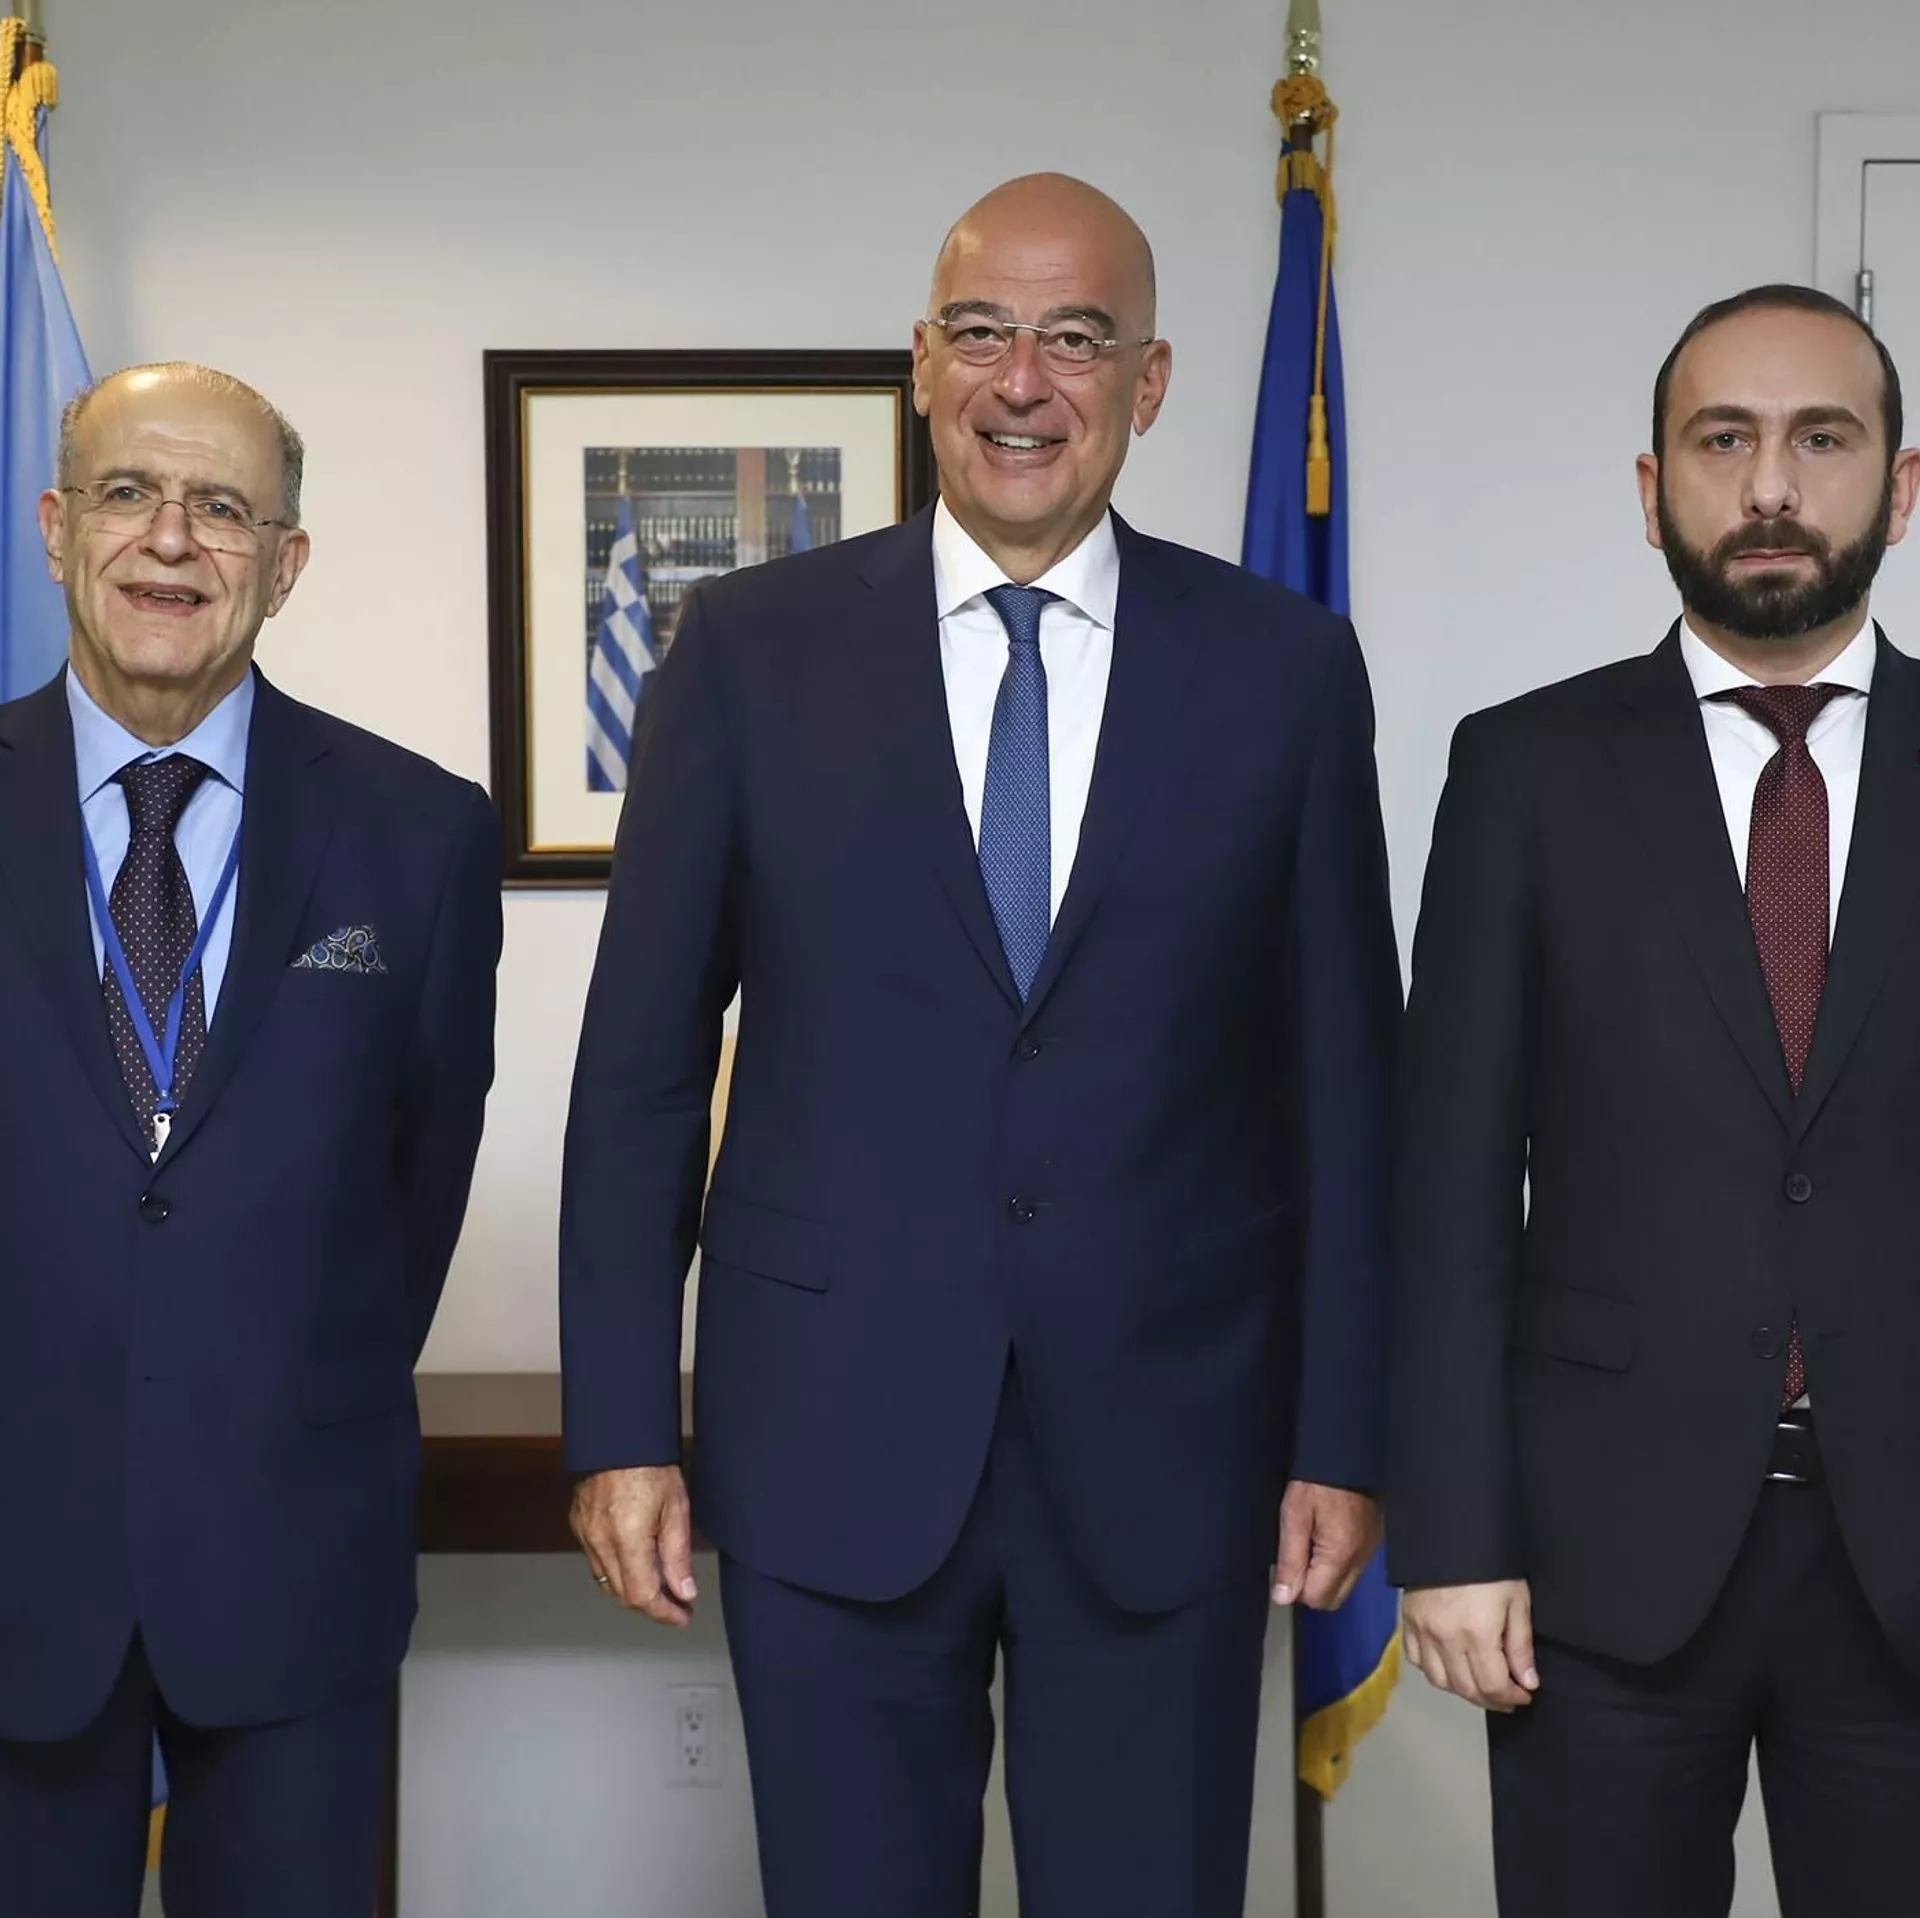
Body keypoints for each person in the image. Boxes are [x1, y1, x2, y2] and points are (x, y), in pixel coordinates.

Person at [561, 172, 1400, 1917]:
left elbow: (1346, 1086)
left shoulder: (1289, 671)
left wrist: (1343, 1431)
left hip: (1173, 1454)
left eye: (1075, 339)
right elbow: (640, 1071)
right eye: (983, 332)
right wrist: (622, 1424)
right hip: (828, 1440)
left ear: (1149, 382)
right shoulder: (744, 654)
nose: (1024, 381)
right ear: (922, 362)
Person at [1389, 285, 1920, 1917]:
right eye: (1722, 440)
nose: (1770, 486)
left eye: (1821, 440)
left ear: (1901, 486)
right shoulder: (1523, 772)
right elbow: (1447, 1185)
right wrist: (1451, 1532)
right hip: (1596, 1563)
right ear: (1651, 489)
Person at [0, 363, 501, 1916]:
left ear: (285, 564)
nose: (171, 538)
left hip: (297, 1559)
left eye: (222, 507)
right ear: (54, 525)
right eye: (129, 492)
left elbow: (416, 1187)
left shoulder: (420, 834)